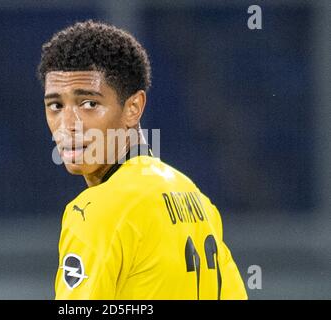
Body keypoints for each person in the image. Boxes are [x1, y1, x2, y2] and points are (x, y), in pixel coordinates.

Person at [38, 20, 247, 299]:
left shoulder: (96, 211)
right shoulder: (194, 197)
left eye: (89, 104)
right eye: (56, 106)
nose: (67, 124)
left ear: (133, 107)